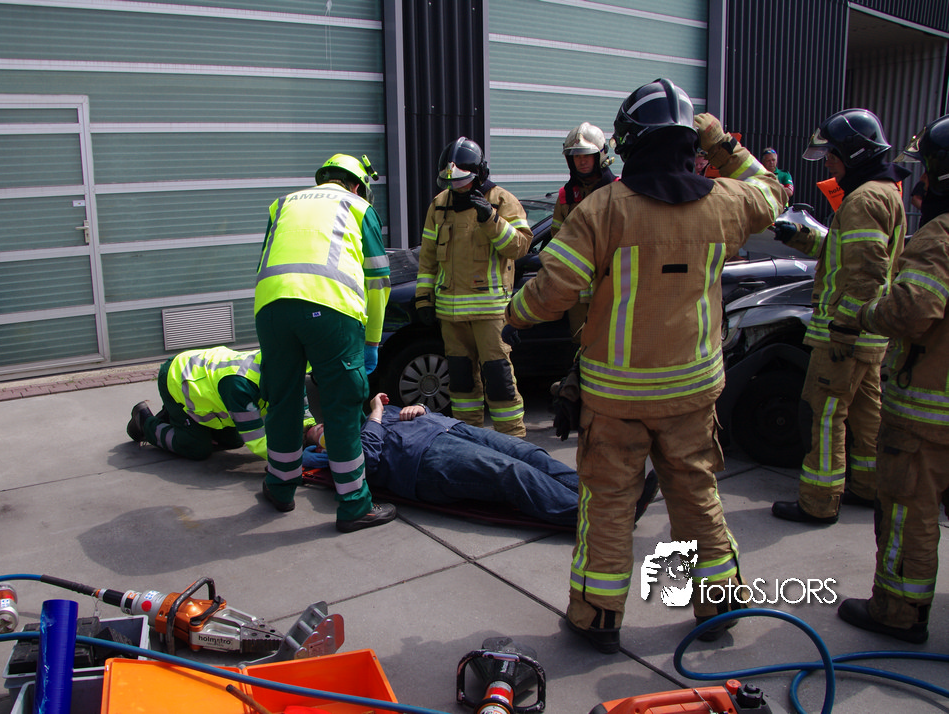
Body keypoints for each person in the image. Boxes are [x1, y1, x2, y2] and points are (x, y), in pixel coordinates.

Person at [505, 78, 787, 653]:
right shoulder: (727, 202)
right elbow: (773, 189)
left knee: (609, 504)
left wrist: (514, 313)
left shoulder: (602, 210)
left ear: (628, 143)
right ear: (688, 143)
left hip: (617, 399)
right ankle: (720, 605)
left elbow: (552, 293)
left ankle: (598, 618)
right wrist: (721, 142)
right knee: (696, 495)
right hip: (693, 393)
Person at [836, 115, 949, 645]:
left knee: (909, 511)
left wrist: (866, 314)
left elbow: (912, 311)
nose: (920, 180)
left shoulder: (940, 237)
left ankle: (899, 612)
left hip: (928, 409)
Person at [770, 109, 909, 526]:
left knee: (825, 413)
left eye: (833, 153)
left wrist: (844, 329)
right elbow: (844, 251)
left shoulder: (863, 200)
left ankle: (819, 501)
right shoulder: (883, 192)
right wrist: (800, 236)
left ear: (854, 152)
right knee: (866, 414)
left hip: (844, 336)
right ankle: (867, 486)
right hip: (870, 335)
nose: (828, 162)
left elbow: (866, 272)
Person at [253, 154, 396, 533]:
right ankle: (354, 505)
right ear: (357, 185)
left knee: (282, 400)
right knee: (341, 405)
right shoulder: (358, 207)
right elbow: (378, 280)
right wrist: (372, 341)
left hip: (271, 307)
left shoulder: (282, 204)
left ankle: (280, 487)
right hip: (331, 310)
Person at [307, 393, 658, 528]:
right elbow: (366, 463)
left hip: (448, 429)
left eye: (320, 423)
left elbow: (418, 412)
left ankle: (610, 500)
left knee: (528, 454)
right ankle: (605, 518)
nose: (323, 427)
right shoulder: (338, 451)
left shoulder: (369, 417)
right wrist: (376, 414)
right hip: (423, 460)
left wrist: (421, 408)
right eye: (317, 432)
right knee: (512, 473)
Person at [414, 137, 533, 436]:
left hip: (491, 314)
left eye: (462, 181)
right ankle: (468, 439)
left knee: (500, 381)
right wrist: (423, 298)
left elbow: (520, 247)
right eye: (451, 182)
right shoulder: (439, 205)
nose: (456, 187)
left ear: (479, 174)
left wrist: (491, 219)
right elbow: (428, 257)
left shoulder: (501, 200)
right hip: (451, 315)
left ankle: (513, 441)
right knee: (461, 383)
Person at [125, 347, 324, 465]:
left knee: (234, 441)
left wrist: (308, 428)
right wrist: (294, 460)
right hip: (177, 377)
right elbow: (256, 442)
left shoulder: (287, 370)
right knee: (197, 448)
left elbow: (302, 410)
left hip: (206, 382)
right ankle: (145, 421)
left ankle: (180, 420)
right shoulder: (241, 386)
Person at [551, 122, 617, 341]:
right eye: (576, 156)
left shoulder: (618, 192)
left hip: (612, 289)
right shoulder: (565, 196)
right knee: (581, 346)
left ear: (600, 155)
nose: (582, 160)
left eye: (587, 155)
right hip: (577, 293)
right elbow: (557, 242)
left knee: (612, 344)